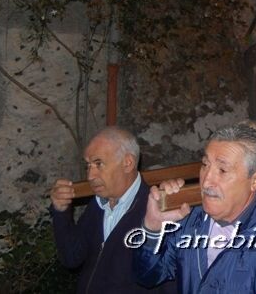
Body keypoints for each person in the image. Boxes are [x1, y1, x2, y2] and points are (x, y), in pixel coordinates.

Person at [132, 124, 256, 293]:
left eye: (222, 171)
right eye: (205, 165)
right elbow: (148, 277)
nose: (206, 181)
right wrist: (153, 229)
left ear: (255, 180)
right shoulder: (191, 219)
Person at [49, 126, 172, 293]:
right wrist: (61, 210)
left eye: (98, 164)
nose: (90, 176)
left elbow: (166, 283)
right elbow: (72, 257)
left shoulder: (156, 211)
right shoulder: (98, 205)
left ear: (127, 163)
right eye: (88, 165)